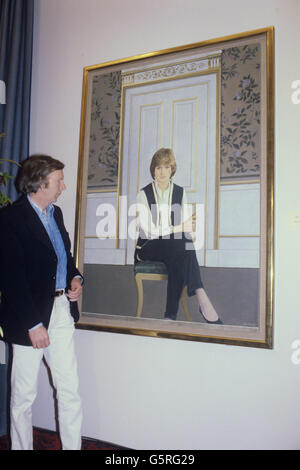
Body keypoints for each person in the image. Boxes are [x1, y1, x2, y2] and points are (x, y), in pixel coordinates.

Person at [0, 154, 83, 450]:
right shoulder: (10, 219)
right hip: (30, 319)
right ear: (40, 183)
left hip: (61, 311)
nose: (63, 185)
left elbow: (65, 260)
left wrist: (75, 280)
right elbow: (11, 279)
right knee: (23, 397)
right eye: (58, 180)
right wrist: (33, 325)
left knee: (70, 390)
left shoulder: (56, 214)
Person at [135, 148, 222, 324]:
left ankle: (170, 317)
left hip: (173, 246)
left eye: (166, 167)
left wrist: (189, 232)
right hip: (147, 247)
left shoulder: (180, 192)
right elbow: (149, 230)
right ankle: (201, 295)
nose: (162, 172)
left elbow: (183, 228)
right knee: (182, 243)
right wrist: (180, 229)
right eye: (158, 168)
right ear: (153, 170)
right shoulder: (143, 194)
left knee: (182, 248)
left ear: (172, 169)